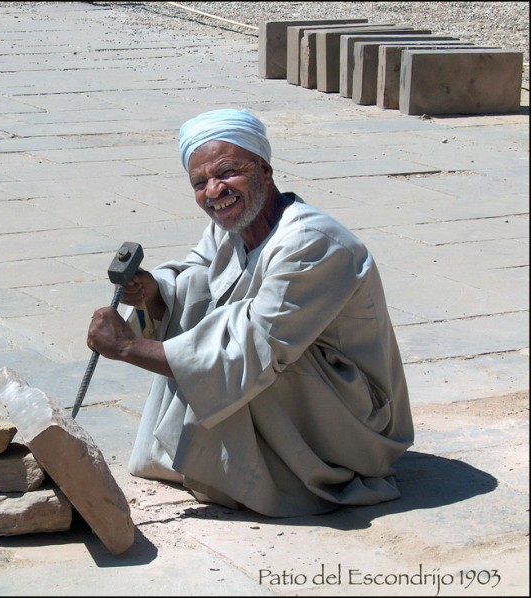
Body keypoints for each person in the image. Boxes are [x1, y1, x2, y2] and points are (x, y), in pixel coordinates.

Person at [86, 108, 414, 517]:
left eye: (227, 173)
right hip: (308, 394)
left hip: (353, 424)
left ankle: (265, 473)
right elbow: (196, 278)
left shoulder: (312, 242)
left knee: (238, 337)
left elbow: (256, 347)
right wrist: (154, 292)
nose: (214, 191)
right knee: (198, 296)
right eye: (200, 183)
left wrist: (129, 347)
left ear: (264, 168)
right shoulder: (231, 226)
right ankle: (219, 458)